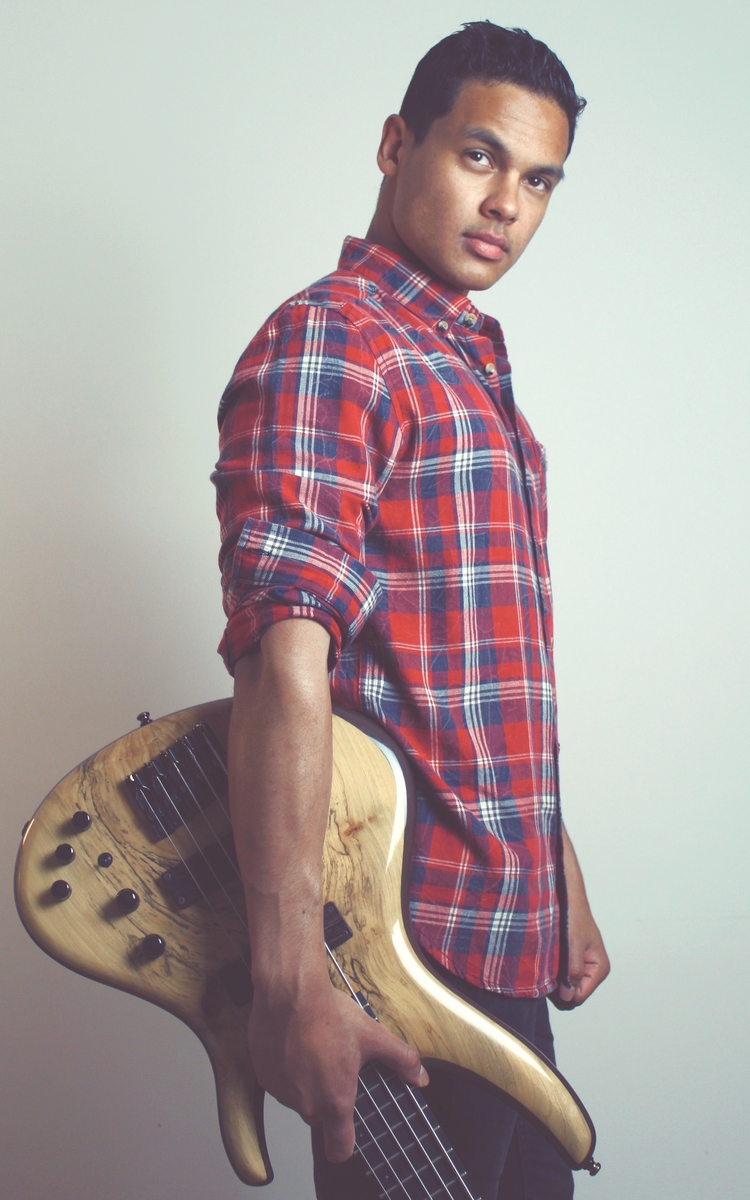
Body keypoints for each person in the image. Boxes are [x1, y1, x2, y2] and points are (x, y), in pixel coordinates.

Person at [213, 21, 610, 1200]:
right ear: (398, 145)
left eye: (539, 180)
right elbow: (284, 661)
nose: (508, 205)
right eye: (481, 156)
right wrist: (293, 983)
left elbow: (467, 672)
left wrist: (557, 878)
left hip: (504, 943)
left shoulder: (462, 364)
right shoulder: (338, 340)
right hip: (399, 953)